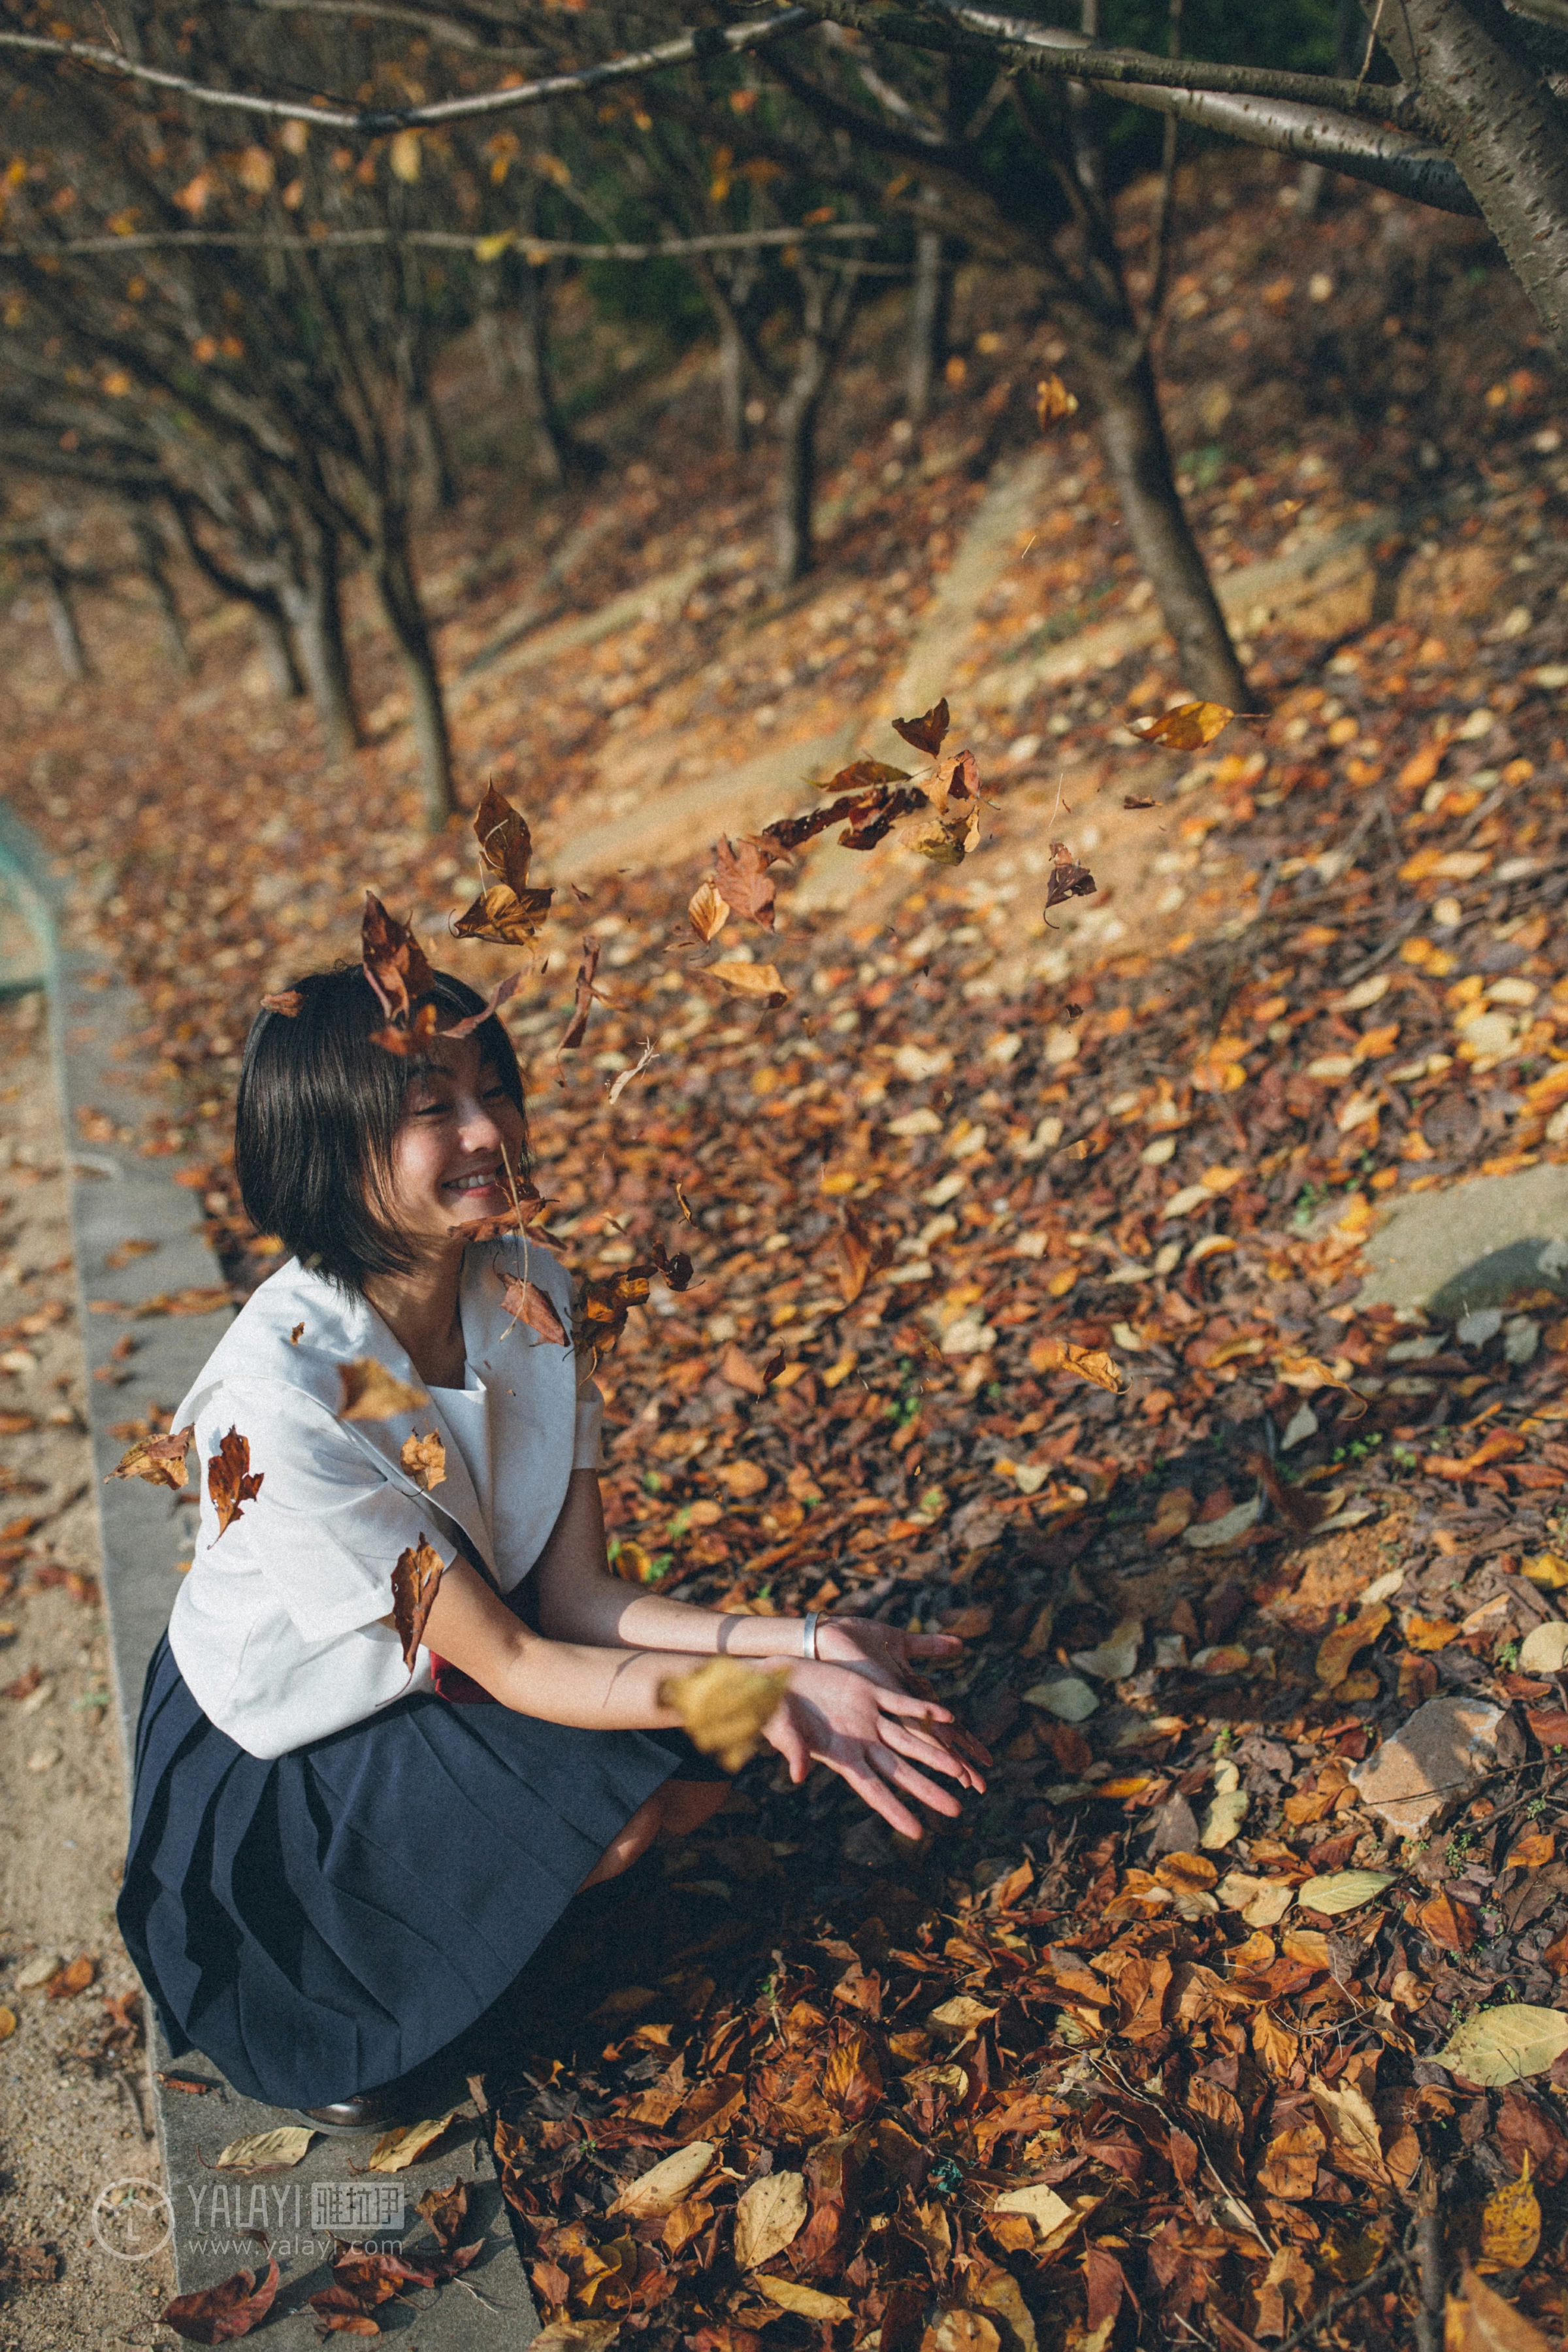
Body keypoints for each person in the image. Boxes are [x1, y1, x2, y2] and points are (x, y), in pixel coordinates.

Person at [117, 964, 984, 2131]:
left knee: (687, 1782)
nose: (490, 1130)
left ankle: (485, 1902)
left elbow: (572, 1593)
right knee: (637, 1801)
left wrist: (811, 1641)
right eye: (434, 1108)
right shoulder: (277, 1405)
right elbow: (516, 1664)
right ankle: (345, 1989)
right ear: (331, 1141)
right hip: (289, 1755)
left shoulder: (532, 1289)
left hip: (470, 1655)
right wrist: (755, 1686)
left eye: (497, 1088)